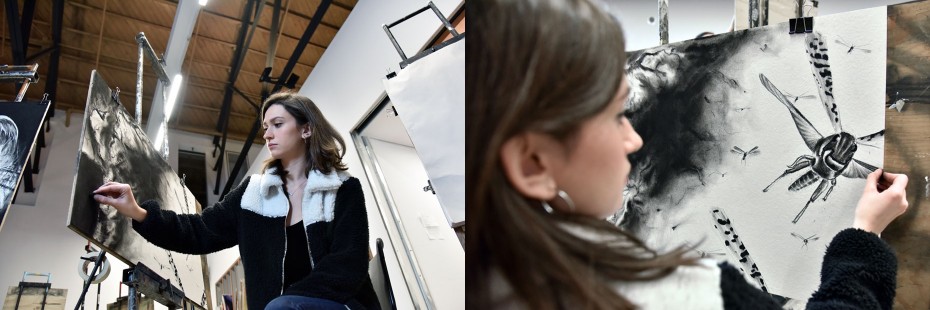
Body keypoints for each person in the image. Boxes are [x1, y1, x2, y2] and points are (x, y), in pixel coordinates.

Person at [466, 0, 910, 309]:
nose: (634, 139)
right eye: (615, 116)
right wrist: (864, 234)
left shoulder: (489, 282)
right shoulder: (686, 294)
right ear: (533, 164)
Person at [93, 92, 381, 310]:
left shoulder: (342, 190)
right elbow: (200, 231)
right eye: (265, 127)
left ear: (306, 129)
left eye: (278, 124)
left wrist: (285, 301)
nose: (267, 134)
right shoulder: (253, 194)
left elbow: (348, 264)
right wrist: (140, 213)